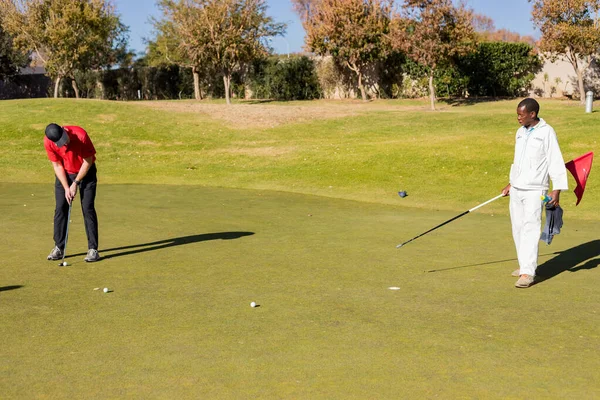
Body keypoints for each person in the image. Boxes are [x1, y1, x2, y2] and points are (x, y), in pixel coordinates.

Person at [501, 98, 568, 288]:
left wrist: (557, 189)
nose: (518, 118)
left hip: (535, 190)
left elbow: (555, 160)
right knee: (518, 228)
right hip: (517, 188)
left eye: (521, 115)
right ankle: (524, 264)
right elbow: (518, 161)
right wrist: (511, 183)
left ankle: (527, 273)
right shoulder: (520, 133)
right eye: (517, 115)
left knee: (530, 228)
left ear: (532, 114)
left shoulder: (546, 132)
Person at [44, 123, 100, 262]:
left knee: (87, 208)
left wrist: (76, 183)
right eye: (60, 143)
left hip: (86, 172)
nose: (65, 144)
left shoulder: (80, 135)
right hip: (65, 173)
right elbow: (56, 165)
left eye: (65, 139)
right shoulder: (49, 142)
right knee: (60, 208)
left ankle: (93, 249)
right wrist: (66, 187)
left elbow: (88, 161)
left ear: (64, 130)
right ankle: (58, 247)